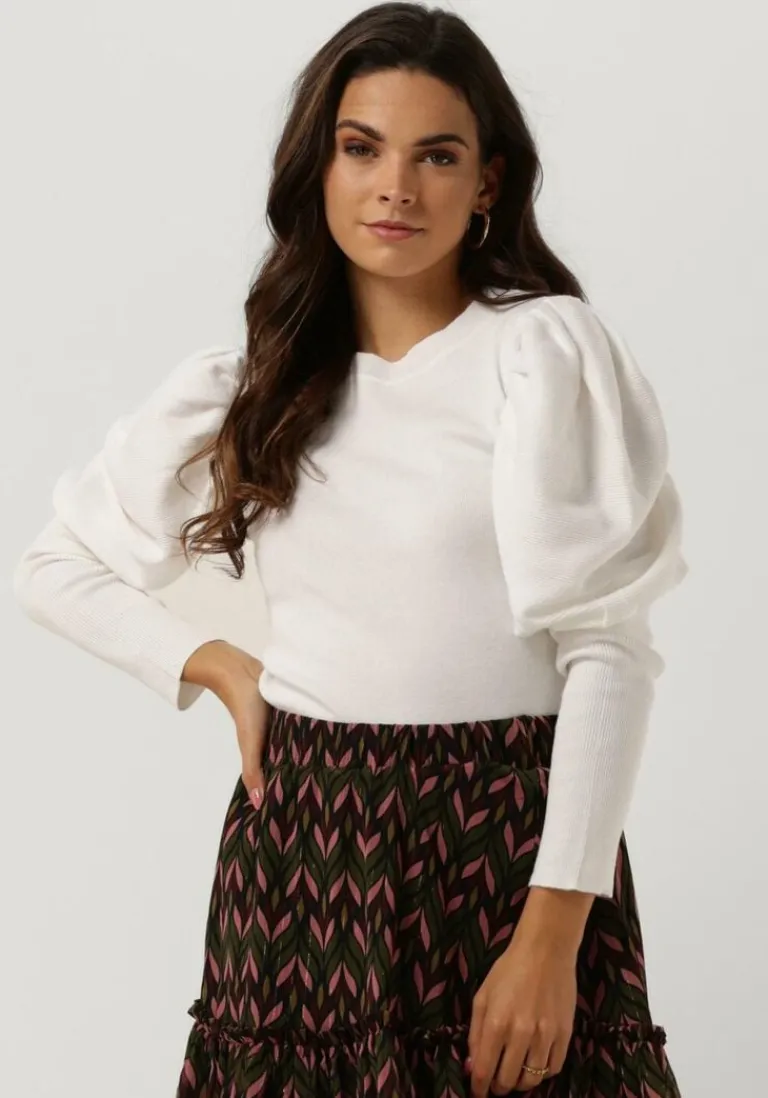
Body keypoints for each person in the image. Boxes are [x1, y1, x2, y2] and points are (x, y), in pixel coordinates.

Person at [12, 4, 690, 1096]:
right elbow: (56, 568)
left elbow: (608, 649)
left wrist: (554, 931)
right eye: (362, 149)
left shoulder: (538, 354)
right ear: (317, 170)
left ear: (489, 181)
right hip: (304, 851)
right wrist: (216, 665)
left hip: (504, 844)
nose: (396, 188)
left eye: (438, 155)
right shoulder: (254, 387)